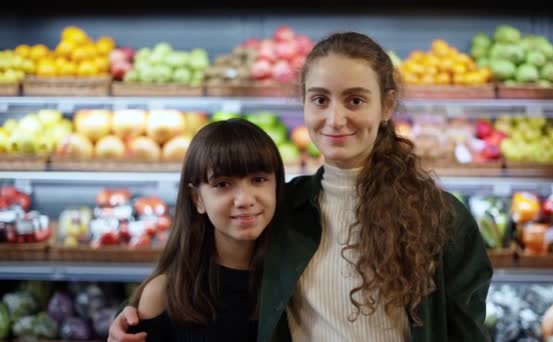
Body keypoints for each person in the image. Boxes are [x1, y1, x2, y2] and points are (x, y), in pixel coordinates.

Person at [109, 32, 492, 342]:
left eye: (355, 100)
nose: (335, 118)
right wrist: (134, 320)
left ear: (387, 106)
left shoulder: (440, 217)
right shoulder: (285, 206)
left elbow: (467, 330)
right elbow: (207, 269)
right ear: (304, 104)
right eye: (320, 100)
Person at [120, 118, 285, 341]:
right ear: (197, 198)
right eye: (223, 184)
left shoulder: (295, 281)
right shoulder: (163, 294)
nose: (245, 200)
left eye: (259, 179)